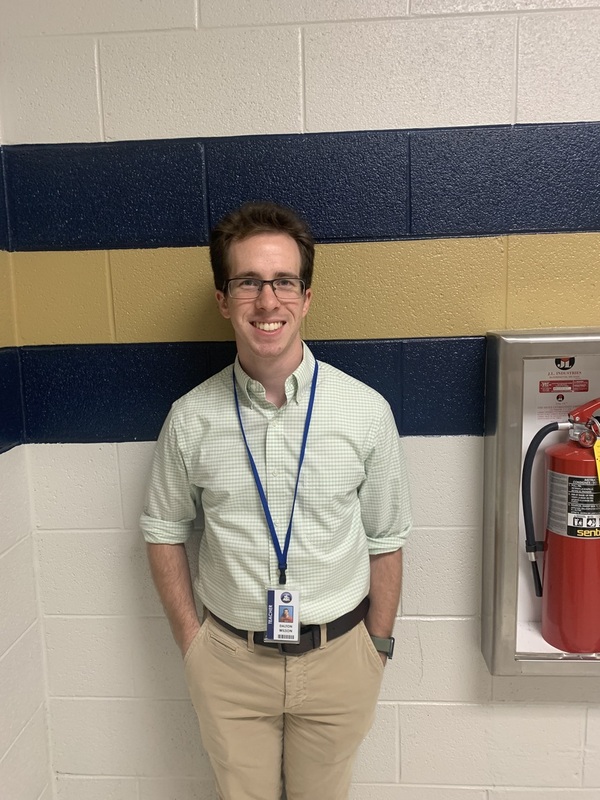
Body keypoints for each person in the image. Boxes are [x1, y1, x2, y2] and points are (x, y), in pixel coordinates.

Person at [141, 201, 412, 800]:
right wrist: (194, 646)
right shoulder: (189, 419)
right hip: (229, 664)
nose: (268, 302)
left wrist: (377, 647)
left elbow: (386, 539)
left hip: (342, 658)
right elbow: (163, 529)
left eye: (284, 281)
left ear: (307, 296)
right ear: (223, 298)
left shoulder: (365, 412)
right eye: (249, 283)